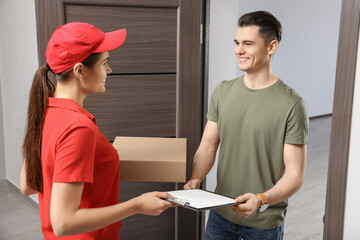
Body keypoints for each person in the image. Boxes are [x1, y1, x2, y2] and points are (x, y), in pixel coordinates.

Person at [20, 22, 174, 239]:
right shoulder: (77, 129)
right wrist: (136, 205)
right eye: (105, 63)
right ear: (80, 70)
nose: (109, 70)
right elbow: (63, 223)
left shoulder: (44, 112)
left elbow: (27, 186)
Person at [184, 11, 309, 240]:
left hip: (263, 224)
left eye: (248, 43)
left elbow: (295, 174)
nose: (239, 50)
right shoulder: (222, 92)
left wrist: (261, 199)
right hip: (220, 215)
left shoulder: (292, 105)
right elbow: (208, 146)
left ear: (271, 47)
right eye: (237, 42)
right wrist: (195, 177)